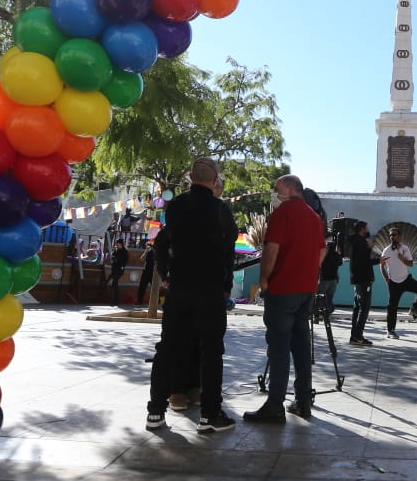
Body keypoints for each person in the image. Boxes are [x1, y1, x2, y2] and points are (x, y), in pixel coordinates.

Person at [146, 157, 238, 434]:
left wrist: (165, 275)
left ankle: (155, 412)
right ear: (213, 181)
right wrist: (226, 286)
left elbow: (161, 243)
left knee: (167, 348)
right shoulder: (221, 210)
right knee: (211, 350)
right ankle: (210, 415)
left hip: (180, 288)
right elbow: (228, 251)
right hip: (209, 289)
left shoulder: (175, 207)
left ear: (190, 179)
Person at [245, 174, 325, 423]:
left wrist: (265, 279)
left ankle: (275, 404)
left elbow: (271, 248)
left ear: (290, 189)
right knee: (301, 347)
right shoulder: (314, 217)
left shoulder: (283, 212)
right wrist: (309, 272)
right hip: (306, 290)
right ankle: (303, 401)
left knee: (278, 348)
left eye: (278, 189)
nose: (276, 194)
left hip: (283, 289)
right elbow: (322, 249)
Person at [380, 227, 417, 339]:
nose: (392, 237)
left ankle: (413, 308)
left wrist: (402, 259)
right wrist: (386, 278)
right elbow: (382, 265)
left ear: (399, 236)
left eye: (394, 235)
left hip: (406, 279)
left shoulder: (405, 249)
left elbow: (411, 264)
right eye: (390, 235)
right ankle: (390, 331)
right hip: (393, 283)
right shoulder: (387, 250)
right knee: (392, 307)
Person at [347, 220, 376, 345]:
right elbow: (364, 262)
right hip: (364, 279)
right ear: (362, 230)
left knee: (357, 307)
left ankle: (355, 335)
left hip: (357, 279)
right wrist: (378, 259)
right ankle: (358, 335)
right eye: (366, 228)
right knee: (364, 308)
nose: (368, 230)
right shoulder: (361, 243)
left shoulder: (355, 242)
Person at [316, 235, 343, 322]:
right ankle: (327, 313)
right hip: (333, 280)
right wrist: (339, 254)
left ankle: (317, 315)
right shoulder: (335, 256)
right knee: (329, 298)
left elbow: (319, 265)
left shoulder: (324, 256)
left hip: (324, 279)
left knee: (319, 297)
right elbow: (340, 263)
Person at [107, 238, 129, 306]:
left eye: (118, 244)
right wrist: (114, 257)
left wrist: (121, 264)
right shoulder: (116, 250)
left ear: (121, 244)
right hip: (114, 269)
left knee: (115, 283)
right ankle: (114, 299)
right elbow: (113, 256)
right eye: (117, 244)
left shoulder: (125, 251)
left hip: (119, 269)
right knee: (111, 282)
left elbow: (125, 261)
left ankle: (116, 300)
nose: (117, 245)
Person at [134, 240, 155, 307]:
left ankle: (157, 301)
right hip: (146, 271)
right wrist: (145, 251)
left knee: (154, 287)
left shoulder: (154, 252)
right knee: (142, 287)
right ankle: (139, 301)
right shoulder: (148, 252)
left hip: (152, 272)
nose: (146, 246)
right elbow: (141, 259)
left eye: (147, 245)